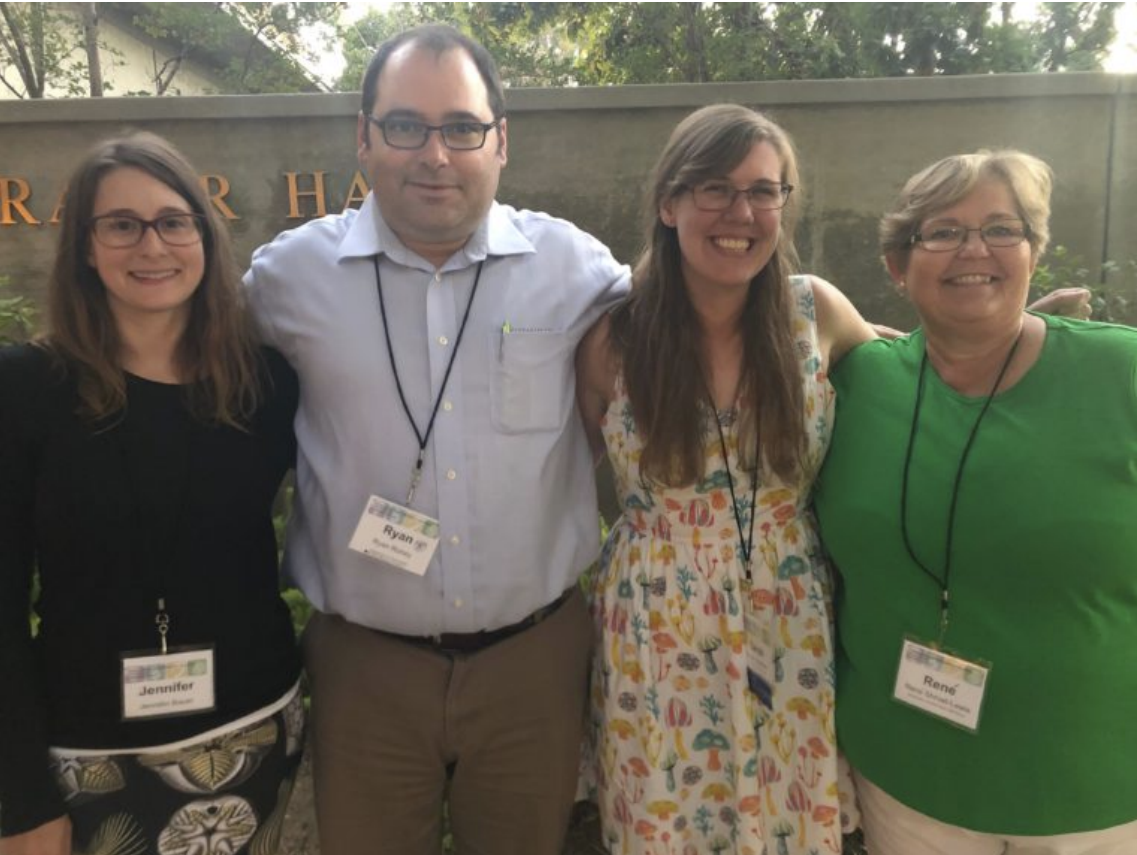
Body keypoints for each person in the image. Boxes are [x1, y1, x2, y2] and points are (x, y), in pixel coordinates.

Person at [243, 24, 629, 855]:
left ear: (500, 141)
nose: (434, 155)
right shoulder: (287, 279)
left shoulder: (574, 269)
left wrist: (838, 327)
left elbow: (696, 327)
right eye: (404, 126)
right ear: (363, 137)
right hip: (364, 668)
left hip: (533, 662)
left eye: (460, 127)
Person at [813, 150, 1137, 855]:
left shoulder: (1122, 373)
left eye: (1001, 228)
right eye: (942, 231)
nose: (974, 249)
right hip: (908, 781)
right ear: (897, 266)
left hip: (1098, 791)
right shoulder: (856, 384)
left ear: (1032, 253)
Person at [576, 104, 877, 855]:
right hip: (654, 623)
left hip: (789, 610)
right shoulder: (614, 340)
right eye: (714, 187)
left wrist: (1013, 333)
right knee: (664, 819)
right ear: (668, 203)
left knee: (787, 820)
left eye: (763, 190)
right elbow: (567, 474)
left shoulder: (815, 313)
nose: (741, 212)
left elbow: (917, 375)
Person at [0, 133, 303, 855]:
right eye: (121, 225)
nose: (152, 246)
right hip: (87, 756)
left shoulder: (263, 384)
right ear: (85, 246)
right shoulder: (25, 390)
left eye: (173, 221)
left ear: (205, 235)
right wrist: (20, 799)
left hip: (254, 730)